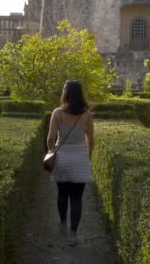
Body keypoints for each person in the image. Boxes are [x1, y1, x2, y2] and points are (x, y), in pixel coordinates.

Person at [46, 80, 94, 246]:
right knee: (76, 197)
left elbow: (51, 138)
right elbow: (91, 139)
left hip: (62, 158)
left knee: (62, 193)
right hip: (80, 157)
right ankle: (73, 234)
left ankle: (62, 221)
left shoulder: (57, 113)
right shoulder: (87, 115)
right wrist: (88, 156)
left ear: (65, 93)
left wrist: (50, 151)